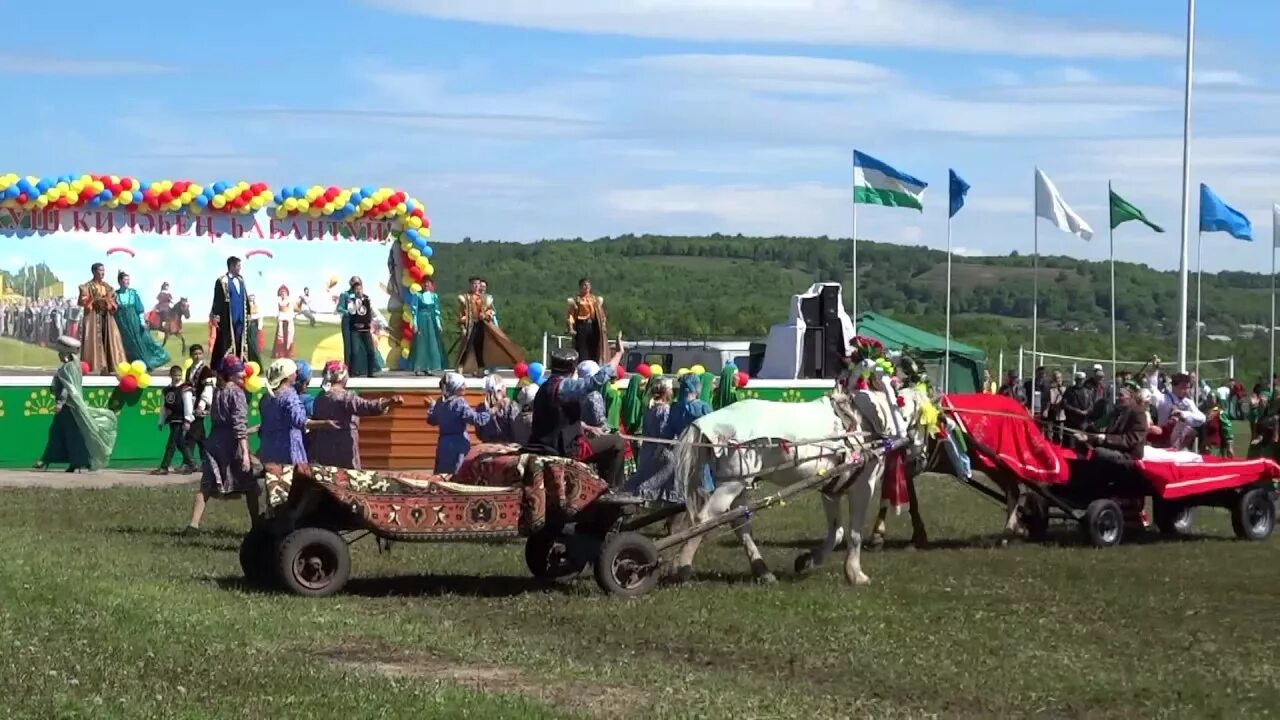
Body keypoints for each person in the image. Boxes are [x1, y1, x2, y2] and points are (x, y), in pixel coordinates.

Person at [525, 337, 629, 489]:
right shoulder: (564, 386)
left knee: (603, 442)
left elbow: (556, 418)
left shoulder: (544, 387)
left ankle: (595, 485)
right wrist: (618, 354)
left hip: (542, 444)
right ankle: (611, 492)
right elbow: (595, 381)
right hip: (562, 449)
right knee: (617, 442)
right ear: (572, 368)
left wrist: (587, 427)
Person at [184, 356, 259, 536]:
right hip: (232, 443)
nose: (244, 374)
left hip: (215, 441)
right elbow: (239, 424)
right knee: (250, 485)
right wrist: (245, 452)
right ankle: (257, 526)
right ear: (231, 374)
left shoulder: (219, 391)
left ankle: (193, 525)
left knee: (207, 484)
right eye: (239, 371)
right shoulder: (237, 393)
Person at [34, 336, 118, 472]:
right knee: (61, 433)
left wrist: (60, 403)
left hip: (69, 408)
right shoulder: (73, 367)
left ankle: (73, 462)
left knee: (69, 435)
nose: (59, 356)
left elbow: (69, 388)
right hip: (71, 407)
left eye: (61, 353)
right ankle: (51, 460)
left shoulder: (69, 368)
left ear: (66, 354)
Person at [308, 361, 402, 469]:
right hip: (344, 447)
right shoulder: (345, 397)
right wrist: (389, 402)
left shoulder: (320, 397)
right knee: (348, 478)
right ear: (342, 377)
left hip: (324, 447)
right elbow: (367, 406)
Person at [456, 277, 524, 376]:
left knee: (479, 346)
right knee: (467, 346)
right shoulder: (465, 298)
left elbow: (490, 311)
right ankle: (460, 367)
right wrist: (462, 326)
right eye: (474, 284)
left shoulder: (484, 298)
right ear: (470, 285)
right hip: (469, 324)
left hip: (481, 325)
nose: (476, 286)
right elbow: (461, 314)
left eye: (478, 284)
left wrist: (485, 315)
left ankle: (480, 369)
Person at [624, 377, 678, 502]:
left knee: (644, 474)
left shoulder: (649, 407)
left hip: (648, 448)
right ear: (665, 391)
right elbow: (664, 432)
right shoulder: (665, 409)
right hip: (661, 450)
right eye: (670, 389)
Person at [427, 372, 492, 474]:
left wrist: (431, 407)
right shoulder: (459, 403)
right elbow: (477, 420)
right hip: (458, 443)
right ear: (456, 387)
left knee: (442, 474)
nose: (466, 386)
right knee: (458, 473)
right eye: (463, 384)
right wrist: (491, 411)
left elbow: (431, 420)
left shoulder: (440, 402)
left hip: (443, 444)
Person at [257, 359, 313, 467]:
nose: (296, 374)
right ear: (288, 376)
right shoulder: (289, 396)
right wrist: (326, 423)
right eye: (294, 372)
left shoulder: (266, 397)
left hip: (268, 450)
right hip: (288, 451)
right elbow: (300, 421)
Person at [77, 262, 128, 375]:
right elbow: (83, 301)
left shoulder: (107, 287)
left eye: (103, 270)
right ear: (94, 272)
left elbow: (113, 301)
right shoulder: (87, 286)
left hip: (106, 317)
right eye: (100, 270)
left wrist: (108, 302)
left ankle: (109, 366)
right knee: (94, 340)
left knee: (110, 339)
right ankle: (95, 366)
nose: (102, 272)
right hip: (93, 316)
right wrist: (95, 301)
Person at [114, 271, 170, 371]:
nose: (127, 282)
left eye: (128, 280)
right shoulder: (115, 294)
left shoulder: (133, 293)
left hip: (134, 321)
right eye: (125, 280)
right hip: (122, 324)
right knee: (127, 344)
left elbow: (139, 309)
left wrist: (142, 322)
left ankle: (147, 363)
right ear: (120, 281)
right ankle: (132, 364)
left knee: (141, 341)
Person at [1146, 357, 1206, 450]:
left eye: (1188, 388)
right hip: (1163, 443)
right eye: (1183, 387)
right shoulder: (1164, 399)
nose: (1186, 391)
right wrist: (1155, 370)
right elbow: (1152, 388)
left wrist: (1183, 414)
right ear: (1173, 386)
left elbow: (1202, 418)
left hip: (1181, 444)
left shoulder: (1188, 402)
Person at [208, 256, 252, 369]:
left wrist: (248, 314)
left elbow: (245, 298)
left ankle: (239, 364)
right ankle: (225, 366)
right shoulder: (222, 281)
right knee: (226, 343)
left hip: (240, 318)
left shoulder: (241, 280)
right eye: (238, 266)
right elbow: (217, 299)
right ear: (231, 266)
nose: (240, 268)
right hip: (228, 318)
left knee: (240, 342)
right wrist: (215, 315)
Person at [152, 365, 197, 475]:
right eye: (175, 375)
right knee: (180, 443)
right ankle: (192, 464)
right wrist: (161, 421)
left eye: (179, 375)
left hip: (180, 419)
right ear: (170, 375)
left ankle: (164, 467)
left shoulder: (185, 388)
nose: (177, 377)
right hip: (172, 419)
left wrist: (187, 420)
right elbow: (163, 407)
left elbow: (188, 405)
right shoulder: (167, 390)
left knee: (171, 443)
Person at [407, 279, 446, 376]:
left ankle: (428, 367)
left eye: (429, 283)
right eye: (425, 283)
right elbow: (414, 311)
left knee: (430, 343)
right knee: (420, 343)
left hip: (431, 322)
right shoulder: (417, 295)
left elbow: (436, 311)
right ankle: (418, 367)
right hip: (421, 320)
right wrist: (415, 324)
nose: (427, 285)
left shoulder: (434, 296)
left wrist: (438, 324)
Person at [342, 278, 379, 378]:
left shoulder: (367, 299)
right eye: (357, 289)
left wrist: (375, 324)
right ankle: (351, 373)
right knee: (354, 352)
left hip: (366, 330)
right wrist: (355, 302)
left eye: (360, 289)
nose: (359, 291)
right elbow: (352, 311)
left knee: (371, 351)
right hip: (355, 330)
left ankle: (370, 374)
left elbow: (372, 313)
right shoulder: (351, 300)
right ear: (354, 291)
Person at [566, 277, 607, 363]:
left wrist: (603, 325)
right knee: (582, 349)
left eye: (588, 285)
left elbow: (601, 314)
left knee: (593, 348)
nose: (586, 287)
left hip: (592, 326)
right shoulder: (577, 300)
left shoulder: (594, 299)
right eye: (584, 285)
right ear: (580, 287)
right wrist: (571, 328)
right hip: (581, 325)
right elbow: (571, 315)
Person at [475, 374, 520, 443]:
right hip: (506, 446)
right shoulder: (511, 406)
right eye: (504, 386)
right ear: (501, 388)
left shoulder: (480, 408)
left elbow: (479, 433)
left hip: (486, 445)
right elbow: (516, 430)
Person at [575, 360, 609, 432]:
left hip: (578, 432)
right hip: (593, 434)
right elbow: (599, 420)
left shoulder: (574, 391)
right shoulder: (594, 395)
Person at [272, 285, 295, 359]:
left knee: (288, 336)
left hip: (288, 321)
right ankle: (280, 353)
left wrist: (290, 319)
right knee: (280, 336)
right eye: (281, 292)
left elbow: (291, 311)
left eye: (284, 292)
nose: (283, 294)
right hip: (281, 321)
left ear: (287, 293)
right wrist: (278, 317)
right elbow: (278, 311)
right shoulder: (279, 302)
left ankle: (288, 352)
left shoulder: (289, 301)